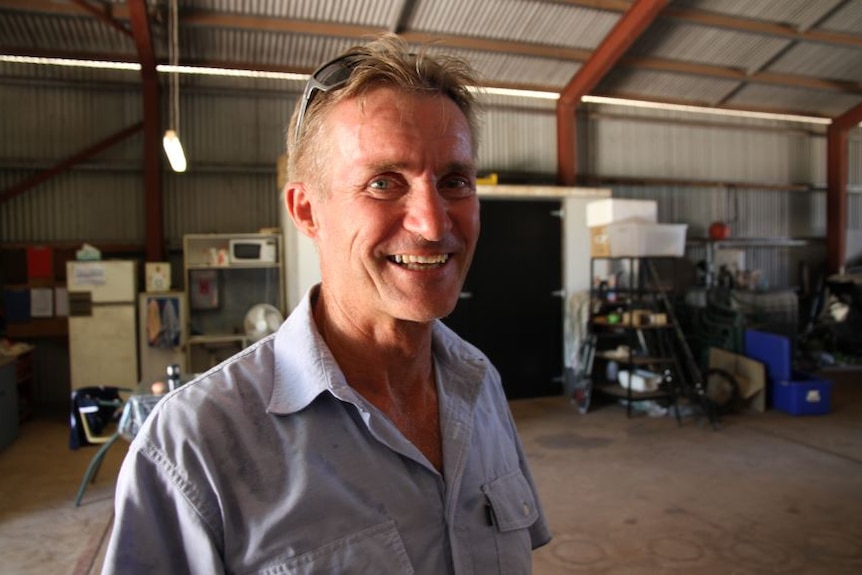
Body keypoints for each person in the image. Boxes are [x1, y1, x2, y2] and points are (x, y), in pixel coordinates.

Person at [102, 33, 550, 574]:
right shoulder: (195, 446)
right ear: (307, 211)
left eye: (454, 181)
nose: (433, 224)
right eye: (384, 182)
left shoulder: (480, 385)